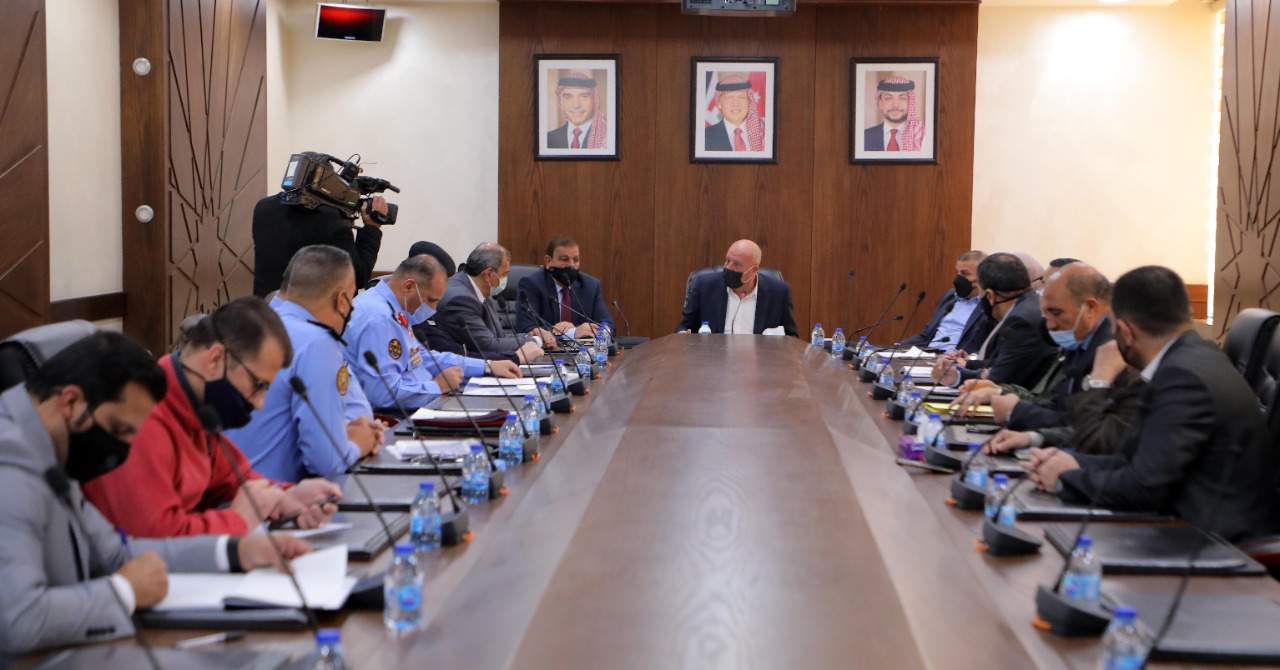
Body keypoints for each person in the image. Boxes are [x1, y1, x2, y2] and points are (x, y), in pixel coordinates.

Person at [0, 332, 309, 659]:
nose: (124, 450)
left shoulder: (50, 441)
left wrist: (235, 551)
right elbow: (19, 620)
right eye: (119, 430)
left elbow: (117, 556)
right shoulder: (11, 460)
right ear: (71, 402)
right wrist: (124, 591)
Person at [1026, 266, 1280, 543]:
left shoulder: (1183, 379)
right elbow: (1137, 460)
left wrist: (1066, 477)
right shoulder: (1191, 358)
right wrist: (1074, 462)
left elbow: (1145, 486)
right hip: (1183, 523)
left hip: (1211, 542)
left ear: (1125, 331)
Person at [82, 299, 342, 538]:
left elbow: (237, 480)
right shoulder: (140, 416)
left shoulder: (198, 408)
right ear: (216, 359)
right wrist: (237, 521)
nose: (259, 404)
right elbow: (154, 537)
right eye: (258, 386)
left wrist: (286, 497)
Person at [228, 246, 384, 483]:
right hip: (275, 498)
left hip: (225, 492)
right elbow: (326, 461)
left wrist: (344, 430)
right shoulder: (317, 342)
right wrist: (358, 443)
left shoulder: (251, 327)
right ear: (342, 300)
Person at [345, 254, 525, 411]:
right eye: (431, 300)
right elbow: (383, 394)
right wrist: (437, 386)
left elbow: (423, 358)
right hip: (395, 418)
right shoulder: (379, 319)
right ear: (408, 287)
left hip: (424, 402)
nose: (433, 309)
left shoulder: (395, 309)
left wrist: (488, 366)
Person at [951, 263, 1114, 427]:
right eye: (1046, 314)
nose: (1049, 325)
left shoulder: (1111, 352)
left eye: (1056, 313)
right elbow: (1053, 402)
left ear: (1090, 308)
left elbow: (1081, 424)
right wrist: (999, 392)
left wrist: (1019, 416)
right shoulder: (1077, 339)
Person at [251, 153, 390, 297]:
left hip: (265, 306)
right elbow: (358, 276)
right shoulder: (331, 223)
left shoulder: (263, 207)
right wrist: (372, 227)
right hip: (306, 308)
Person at [931, 253, 1056, 389]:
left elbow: (996, 380)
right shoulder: (1028, 306)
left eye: (980, 291)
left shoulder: (1021, 321)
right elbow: (1002, 364)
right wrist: (957, 376)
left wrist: (960, 378)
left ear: (990, 296)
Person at [437, 243, 556, 357]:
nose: (506, 278)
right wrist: (536, 341)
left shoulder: (479, 290)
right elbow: (488, 345)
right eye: (505, 274)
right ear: (488, 274)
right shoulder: (460, 299)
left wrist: (528, 336)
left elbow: (497, 338)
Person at [676, 239, 798, 337]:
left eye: (737, 264)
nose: (729, 267)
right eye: (728, 260)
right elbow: (685, 326)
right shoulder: (705, 285)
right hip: (714, 358)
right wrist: (683, 334)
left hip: (760, 359)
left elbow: (791, 336)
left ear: (754, 269)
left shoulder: (779, 292)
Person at [516, 236, 613, 339]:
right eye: (564, 259)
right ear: (548, 261)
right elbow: (526, 328)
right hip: (546, 349)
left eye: (576, 260)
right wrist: (573, 332)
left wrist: (594, 331)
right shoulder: (531, 284)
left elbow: (609, 326)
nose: (571, 265)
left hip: (582, 348)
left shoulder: (590, 286)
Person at [899, 250, 992, 353]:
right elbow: (927, 335)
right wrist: (896, 347)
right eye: (957, 272)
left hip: (956, 359)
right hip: (929, 356)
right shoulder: (950, 296)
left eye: (965, 273)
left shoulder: (989, 305)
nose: (958, 278)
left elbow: (989, 348)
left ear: (983, 277)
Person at [546, 71, 608, 150]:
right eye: (568, 97)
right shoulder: (548, 139)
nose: (576, 105)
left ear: (594, 101)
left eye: (584, 96)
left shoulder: (607, 138)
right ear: (561, 103)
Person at [863, 76, 925, 152]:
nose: (895, 104)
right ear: (880, 104)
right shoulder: (864, 137)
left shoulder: (923, 137)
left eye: (902, 98)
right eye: (888, 98)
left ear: (910, 103)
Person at [704, 76, 765, 152]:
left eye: (741, 97)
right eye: (729, 98)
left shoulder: (764, 132)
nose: (736, 104)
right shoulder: (705, 137)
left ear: (749, 101)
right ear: (719, 103)